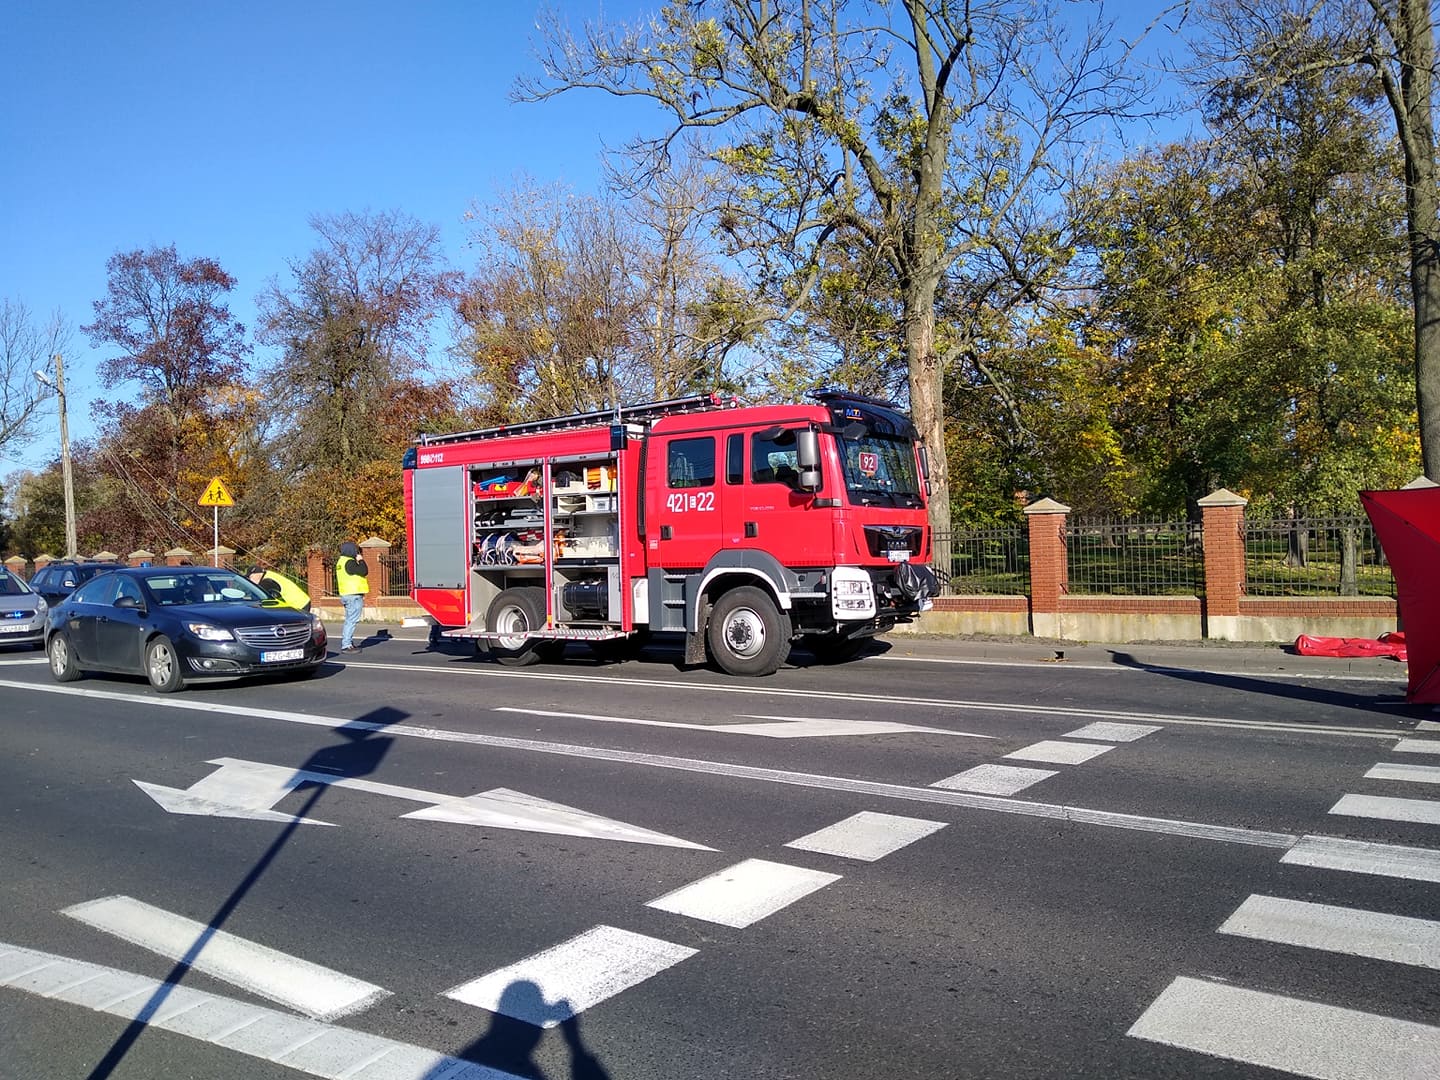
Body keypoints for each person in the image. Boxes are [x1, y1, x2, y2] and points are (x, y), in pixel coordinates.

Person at [335, 541, 369, 653]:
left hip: (346, 594)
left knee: (349, 620)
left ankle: (347, 642)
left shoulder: (341, 562)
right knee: (352, 621)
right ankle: (346, 645)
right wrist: (361, 560)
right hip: (353, 595)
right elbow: (364, 571)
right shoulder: (349, 562)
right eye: (355, 550)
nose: (356, 552)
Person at [246, 566, 312, 612]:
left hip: (298, 604)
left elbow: (265, 599)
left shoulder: (267, 581)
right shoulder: (269, 575)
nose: (250, 580)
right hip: (301, 601)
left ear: (257, 574)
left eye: (250, 577)